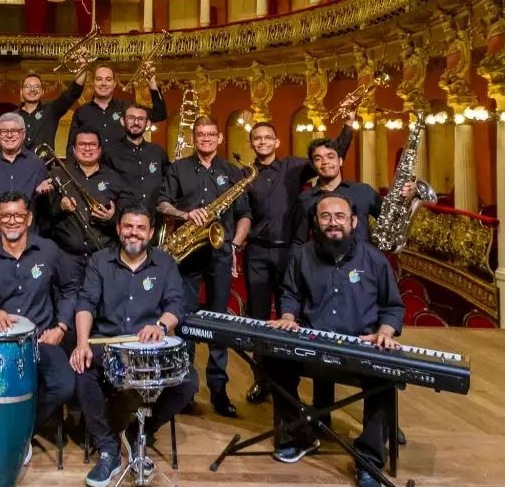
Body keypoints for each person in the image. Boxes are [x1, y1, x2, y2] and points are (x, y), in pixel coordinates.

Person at [271, 192, 405, 487]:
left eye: (340, 217)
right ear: (316, 222)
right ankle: (300, 435)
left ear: (354, 222)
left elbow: (393, 307)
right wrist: (288, 317)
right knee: (272, 361)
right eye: (326, 217)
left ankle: (369, 462)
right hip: (314, 342)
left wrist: (384, 332)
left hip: (360, 345)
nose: (333, 223)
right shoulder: (303, 255)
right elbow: (290, 294)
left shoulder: (374, 259)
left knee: (384, 377)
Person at [69, 206, 197, 487]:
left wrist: (161, 326)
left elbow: (177, 304)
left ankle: (138, 430)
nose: (133, 233)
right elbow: (86, 302)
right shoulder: (100, 261)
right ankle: (108, 449)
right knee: (82, 368)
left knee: (188, 383)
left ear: (151, 233)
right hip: (110, 345)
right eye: (128, 226)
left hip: (148, 348)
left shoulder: (165, 263)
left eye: (140, 228)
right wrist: (81, 343)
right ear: (118, 229)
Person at [0, 191, 77, 449]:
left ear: (29, 218)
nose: (12, 221)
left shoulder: (48, 250)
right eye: (6, 215)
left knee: (64, 385)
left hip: (40, 340)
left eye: (18, 215)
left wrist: (61, 327)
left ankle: (19, 431)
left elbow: (69, 289)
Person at [241, 117, 351, 403]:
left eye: (268, 137)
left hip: (288, 251)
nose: (262, 142)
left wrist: (348, 127)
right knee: (257, 320)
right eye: (257, 138)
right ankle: (262, 381)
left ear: (276, 142)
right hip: (256, 252)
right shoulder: (245, 174)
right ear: (251, 143)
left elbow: (330, 155)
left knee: (292, 316)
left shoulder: (293, 166)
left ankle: (287, 381)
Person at [157, 115, 250, 418]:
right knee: (183, 321)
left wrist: (234, 244)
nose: (206, 139)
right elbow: (162, 204)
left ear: (219, 138)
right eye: (201, 134)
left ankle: (219, 391)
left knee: (219, 321)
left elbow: (245, 214)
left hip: (220, 253)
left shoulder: (232, 171)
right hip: (187, 254)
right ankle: (186, 390)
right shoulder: (179, 168)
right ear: (194, 137)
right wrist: (184, 215)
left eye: (211, 134)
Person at [38, 129, 119, 283]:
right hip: (67, 258)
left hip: (102, 255)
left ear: (100, 149)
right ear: (73, 150)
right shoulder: (56, 174)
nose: (87, 148)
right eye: (82, 144)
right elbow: (43, 216)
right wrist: (60, 207)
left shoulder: (113, 177)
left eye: (92, 144)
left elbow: (125, 214)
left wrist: (111, 217)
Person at [292, 134, 387, 246]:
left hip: (364, 262)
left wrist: (409, 195)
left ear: (340, 161)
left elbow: (389, 220)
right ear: (313, 165)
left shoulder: (363, 191)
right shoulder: (305, 199)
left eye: (330, 157)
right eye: (318, 159)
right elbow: (298, 241)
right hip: (323, 262)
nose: (325, 162)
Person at [0, 112, 51, 241]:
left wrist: (43, 194)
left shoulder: (37, 163)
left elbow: (45, 210)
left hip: (28, 238)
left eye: (15, 131)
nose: (9, 135)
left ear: (23, 134)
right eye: (3, 131)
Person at [68, 64, 167, 159]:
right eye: (99, 79)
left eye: (108, 79)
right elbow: (71, 149)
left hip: (123, 172)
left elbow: (159, 115)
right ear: (93, 83)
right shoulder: (82, 112)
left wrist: (153, 84)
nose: (103, 83)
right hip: (92, 173)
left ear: (115, 83)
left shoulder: (127, 107)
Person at [106, 103, 170, 215]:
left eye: (141, 119)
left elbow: (169, 181)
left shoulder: (158, 151)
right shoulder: (110, 153)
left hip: (155, 219)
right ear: (122, 121)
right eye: (131, 118)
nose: (136, 122)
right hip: (123, 221)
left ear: (148, 123)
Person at [13, 70, 85, 153]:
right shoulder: (12, 117)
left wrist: (83, 65)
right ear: (21, 91)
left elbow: (74, 92)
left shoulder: (51, 109)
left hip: (45, 165)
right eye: (28, 86)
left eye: (36, 86)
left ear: (42, 91)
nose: (32, 89)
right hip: (18, 165)